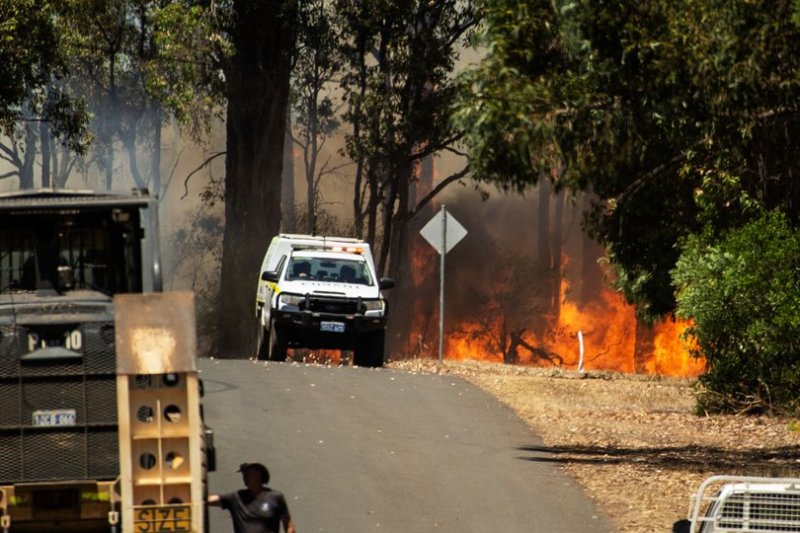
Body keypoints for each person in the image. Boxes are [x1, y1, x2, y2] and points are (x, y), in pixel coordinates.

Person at [208, 462, 296, 533]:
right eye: (243, 475)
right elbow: (208, 500)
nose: (244, 477)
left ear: (259, 475)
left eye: (248, 474)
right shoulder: (236, 497)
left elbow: (288, 525)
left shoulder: (275, 497)